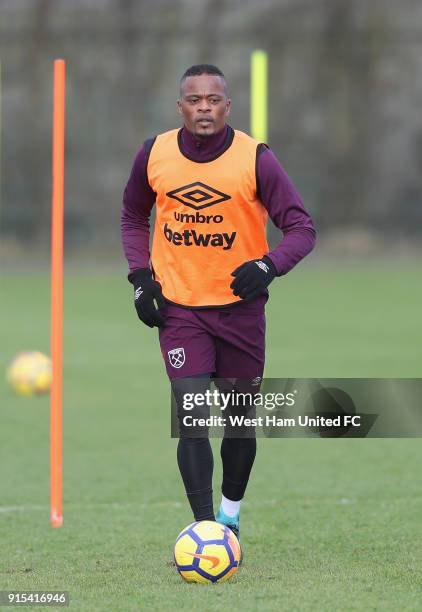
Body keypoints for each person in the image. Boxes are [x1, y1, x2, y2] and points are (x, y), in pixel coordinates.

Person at [121, 64, 316, 545]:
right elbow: (131, 216)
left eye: (213, 99)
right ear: (180, 106)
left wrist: (269, 266)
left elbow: (302, 228)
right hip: (180, 309)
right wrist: (142, 280)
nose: (203, 106)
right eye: (193, 99)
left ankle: (229, 516)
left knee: (238, 425)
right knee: (191, 418)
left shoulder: (256, 158)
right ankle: (206, 528)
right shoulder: (155, 154)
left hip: (239, 312)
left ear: (227, 106)